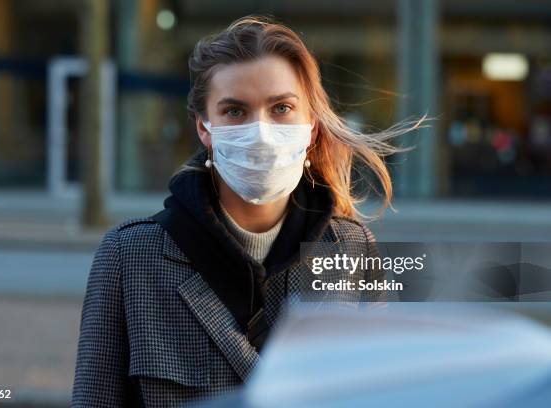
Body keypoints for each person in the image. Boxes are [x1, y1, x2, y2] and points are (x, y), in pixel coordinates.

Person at [72, 15, 414, 408]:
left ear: (312, 126)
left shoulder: (353, 248)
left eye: (282, 108)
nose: (261, 132)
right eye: (235, 111)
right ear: (205, 128)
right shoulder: (130, 256)